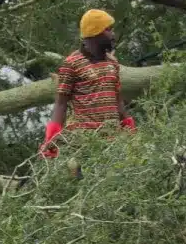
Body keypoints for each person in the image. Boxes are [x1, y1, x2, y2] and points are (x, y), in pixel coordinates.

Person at [41, 9, 134, 155]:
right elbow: (61, 104)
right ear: (94, 33)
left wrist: (128, 124)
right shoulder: (72, 64)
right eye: (108, 30)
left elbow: (117, 99)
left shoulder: (112, 63)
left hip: (112, 140)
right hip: (84, 142)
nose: (113, 35)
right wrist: (51, 138)